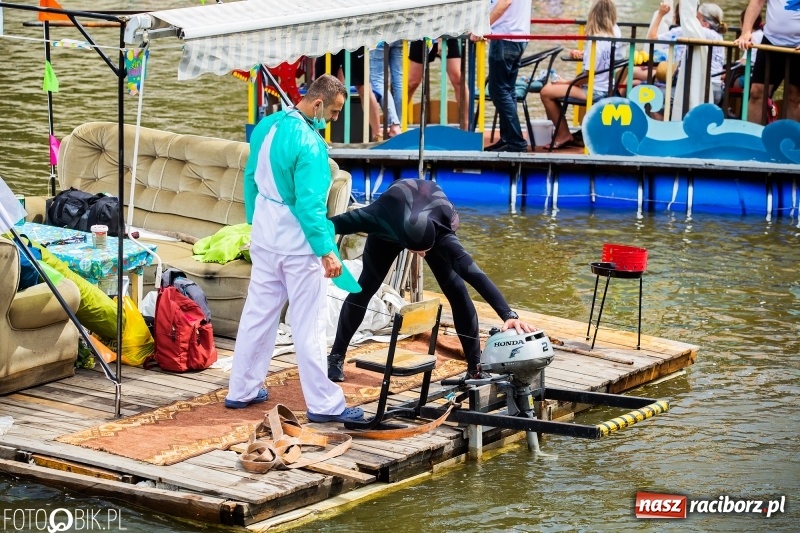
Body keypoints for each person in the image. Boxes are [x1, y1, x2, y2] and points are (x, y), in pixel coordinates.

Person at [225, 74, 365, 424]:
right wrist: (327, 251)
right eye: (333, 112)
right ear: (318, 104)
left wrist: (256, 222)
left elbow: (250, 178)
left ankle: (240, 390)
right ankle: (324, 404)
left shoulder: (267, 125)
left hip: (265, 235)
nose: (333, 120)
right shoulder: (311, 146)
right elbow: (310, 208)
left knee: (258, 315)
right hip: (298, 245)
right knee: (310, 324)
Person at [326, 179, 535, 383]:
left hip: (432, 224)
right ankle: (336, 357)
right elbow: (326, 226)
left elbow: (474, 273)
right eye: (418, 251)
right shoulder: (374, 216)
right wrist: (326, 254)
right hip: (390, 224)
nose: (423, 256)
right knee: (365, 288)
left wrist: (508, 314)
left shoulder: (446, 222)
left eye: (425, 251)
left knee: (457, 291)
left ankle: (475, 368)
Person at [540, 0, 619, 150]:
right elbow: (604, 58)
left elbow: (586, 77)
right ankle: (566, 132)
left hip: (594, 91)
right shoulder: (616, 31)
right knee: (554, 88)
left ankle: (563, 134)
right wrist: (585, 54)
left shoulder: (595, 39)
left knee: (546, 91)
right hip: (609, 86)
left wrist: (566, 82)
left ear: (593, 15)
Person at [479, 0, 532, 152]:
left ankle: (515, 141)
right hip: (517, 36)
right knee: (507, 90)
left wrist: (482, 27)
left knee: (498, 90)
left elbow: (504, 3)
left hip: (505, 37)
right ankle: (508, 139)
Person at [735, 0, 800, 124]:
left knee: (795, 97)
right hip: (771, 41)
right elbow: (756, 3)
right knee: (757, 92)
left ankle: (791, 141)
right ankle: (752, 138)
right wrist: (746, 32)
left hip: (797, 46)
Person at [314, 49, 383, 142]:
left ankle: (377, 135)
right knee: (322, 85)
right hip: (329, 41)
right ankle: (318, 134)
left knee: (363, 86)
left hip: (352, 41)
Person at [407, 38, 465, 124]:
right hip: (423, 33)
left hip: (447, 34)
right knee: (412, 82)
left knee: (458, 79)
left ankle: (467, 124)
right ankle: (396, 121)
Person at [369, 42, 402, 139]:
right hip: (400, 33)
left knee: (377, 80)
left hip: (379, 35)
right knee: (398, 80)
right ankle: (397, 125)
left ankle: (394, 124)